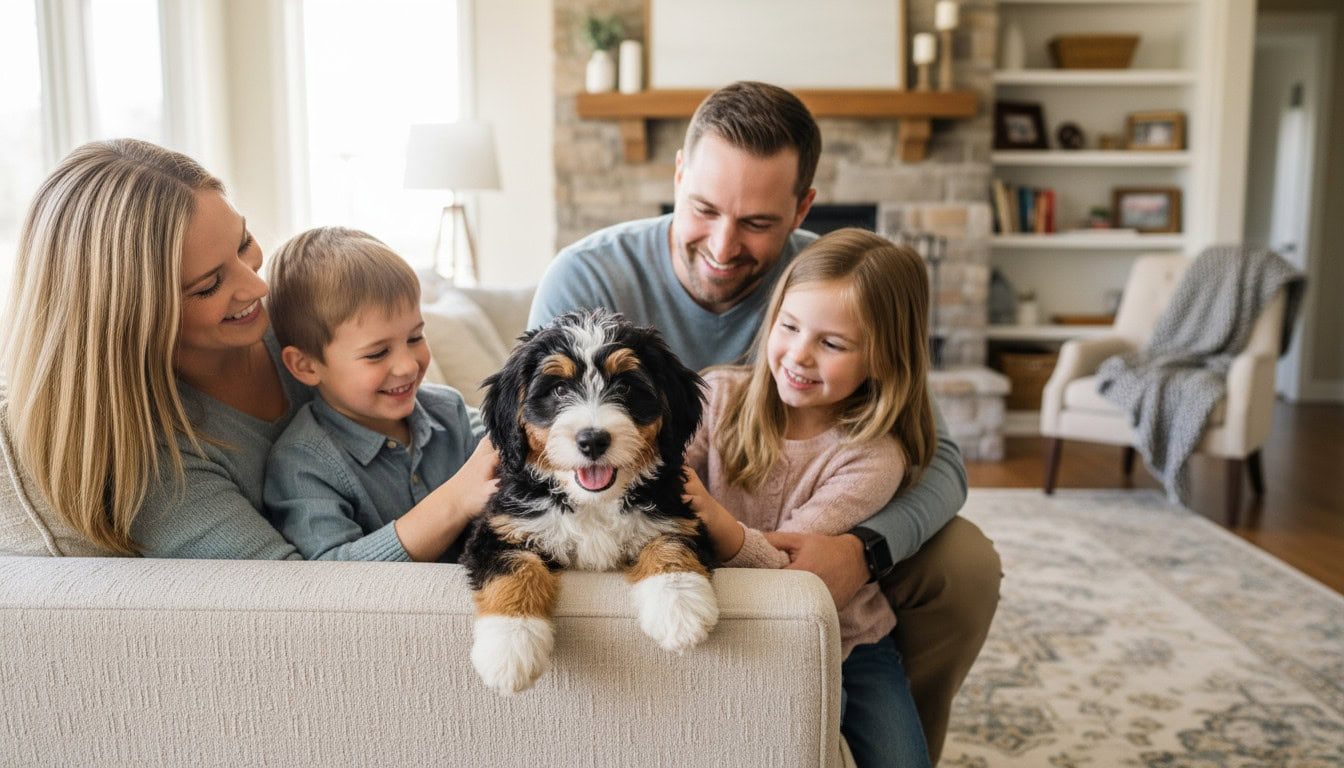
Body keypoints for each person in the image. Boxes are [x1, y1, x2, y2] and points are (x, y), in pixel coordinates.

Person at [529, 81, 1002, 761]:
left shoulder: (830, 283)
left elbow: (940, 458)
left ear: (802, 207)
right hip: (660, 537)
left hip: (832, 582)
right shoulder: (588, 278)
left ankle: (899, 737)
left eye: (756, 223)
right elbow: (542, 445)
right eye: (704, 209)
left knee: (964, 562)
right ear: (678, 175)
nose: (723, 246)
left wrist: (863, 549)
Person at [0, 139, 486, 560]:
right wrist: (454, 502)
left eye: (244, 243)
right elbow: (295, 607)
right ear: (134, 318)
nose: (258, 287)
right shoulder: (165, 469)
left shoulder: (299, 322)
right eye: (209, 285)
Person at [684, 228, 936, 767]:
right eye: (790, 326)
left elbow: (790, 568)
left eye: (832, 344)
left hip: (846, 636)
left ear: (882, 359)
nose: (799, 355)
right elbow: (654, 476)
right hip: (735, 619)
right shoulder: (717, 396)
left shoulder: (873, 456)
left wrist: (713, 519)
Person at [262, 227, 497, 561]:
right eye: (377, 353)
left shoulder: (449, 410)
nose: (408, 365)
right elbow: (333, 571)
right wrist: (455, 501)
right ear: (306, 366)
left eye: (415, 338)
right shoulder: (302, 464)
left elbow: (507, 449)